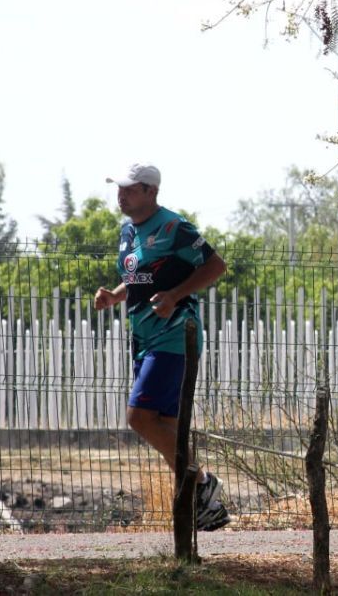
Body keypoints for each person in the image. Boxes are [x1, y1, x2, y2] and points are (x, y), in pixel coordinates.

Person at [93, 162, 231, 530]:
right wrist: (114, 295)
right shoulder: (127, 232)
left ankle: (202, 482)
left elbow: (217, 266)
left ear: (151, 192)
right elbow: (138, 279)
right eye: (118, 189)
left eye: (129, 189)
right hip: (142, 338)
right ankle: (201, 506)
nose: (120, 196)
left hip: (174, 337)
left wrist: (174, 295)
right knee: (168, 426)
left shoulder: (175, 227)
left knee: (138, 417)